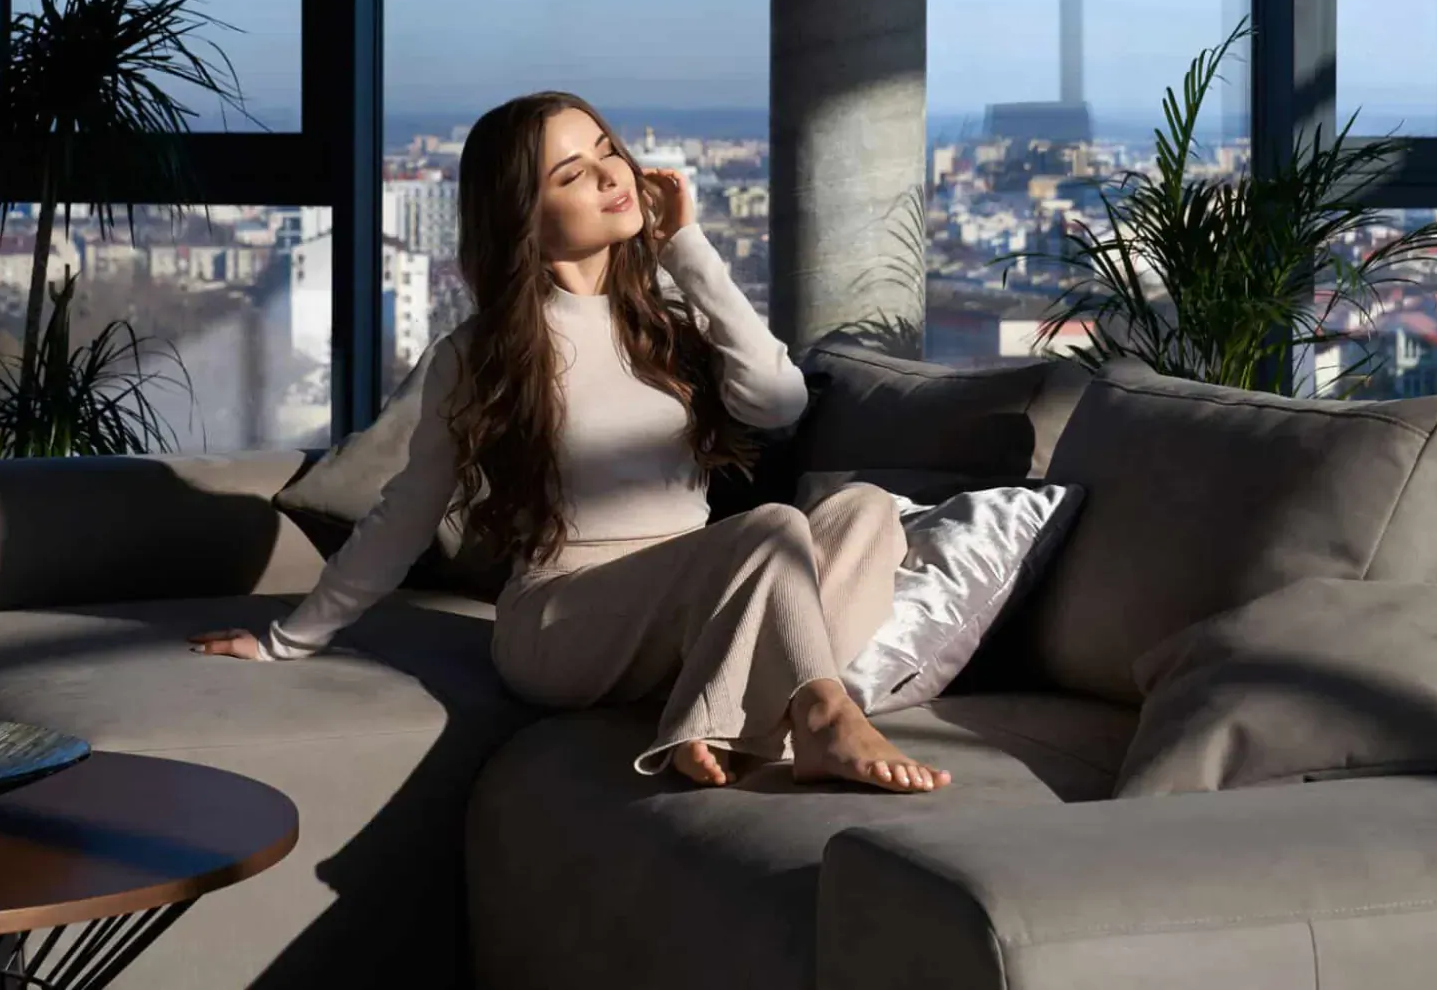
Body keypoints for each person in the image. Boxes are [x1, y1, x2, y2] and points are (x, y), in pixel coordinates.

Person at [190, 91, 949, 793]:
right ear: (524, 214)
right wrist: (288, 640)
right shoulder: (477, 352)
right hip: (563, 621)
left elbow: (779, 403)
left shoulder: (666, 317)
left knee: (867, 513)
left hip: (683, 610)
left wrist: (686, 248)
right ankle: (820, 717)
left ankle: (722, 717)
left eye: (605, 151)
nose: (608, 175)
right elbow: (404, 515)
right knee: (774, 530)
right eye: (570, 173)